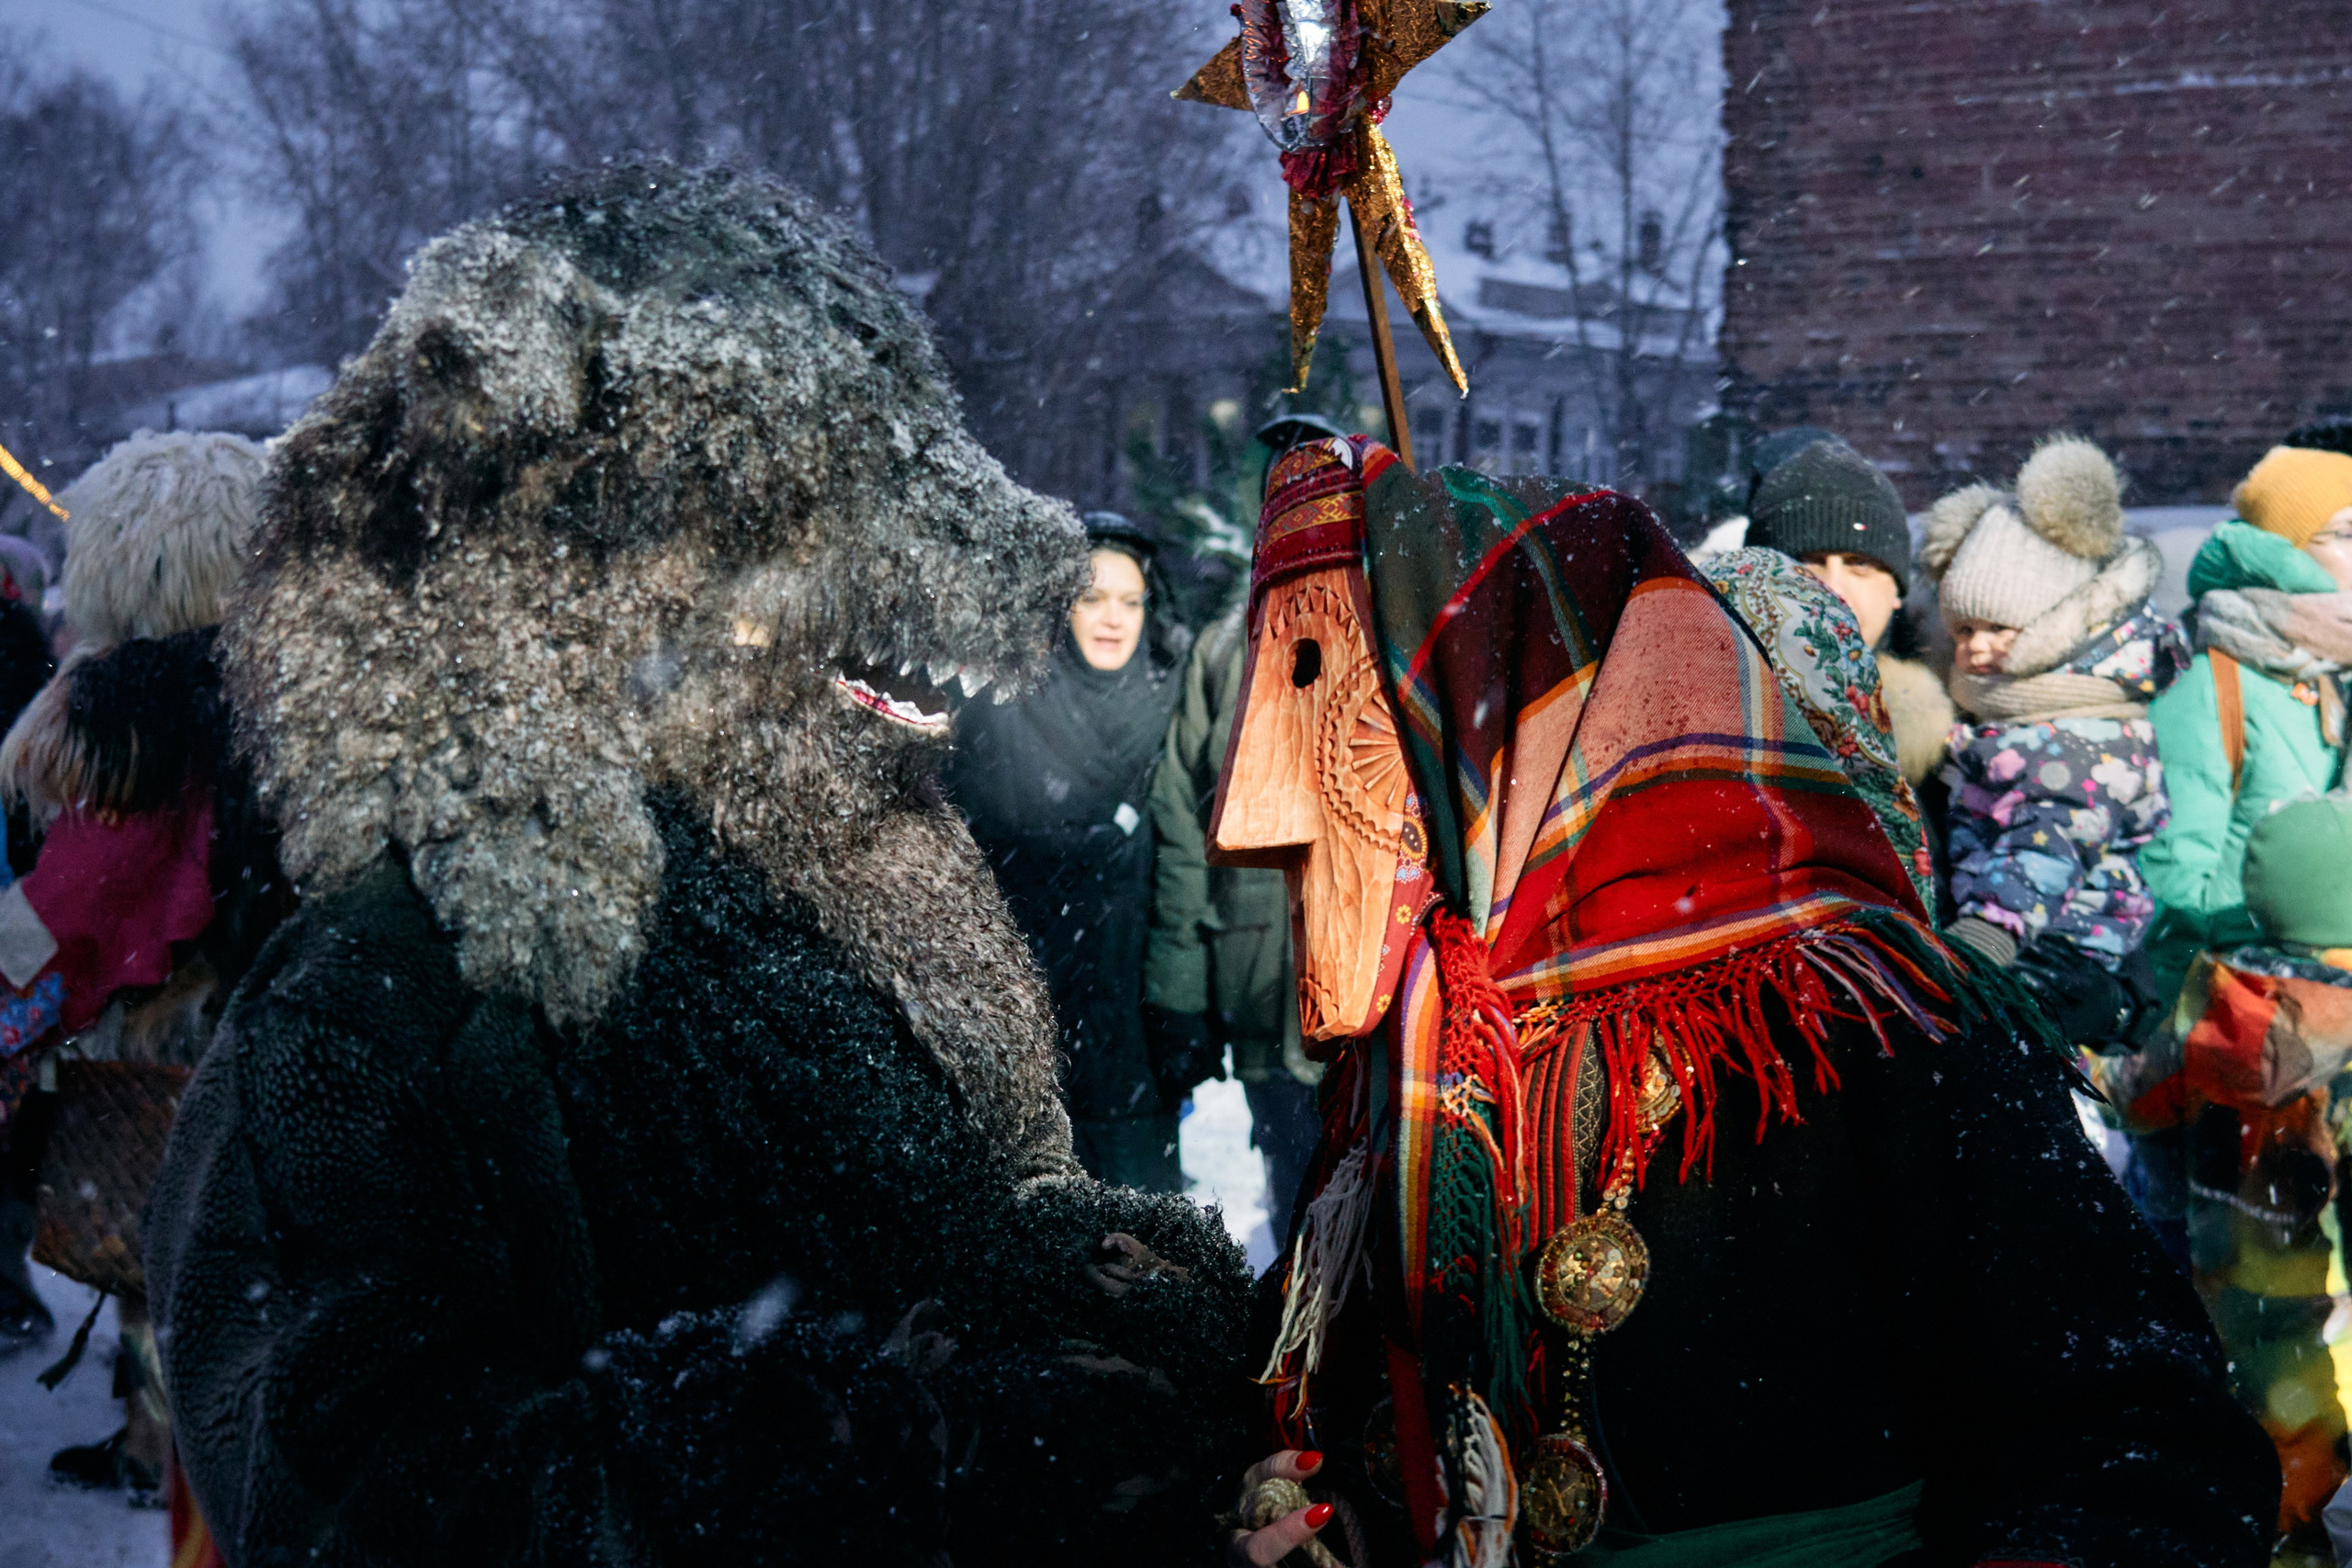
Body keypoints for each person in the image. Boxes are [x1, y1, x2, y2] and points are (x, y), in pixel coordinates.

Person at [147, 166, 1252, 1568]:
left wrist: (1104, 1297)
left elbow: (951, 1245)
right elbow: (360, 1495)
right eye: (793, 535)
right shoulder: (380, 998)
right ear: (579, 579)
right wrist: (895, 1456)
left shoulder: (868, 909)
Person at [1211, 432, 2273, 1568]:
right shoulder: (1423, 1057)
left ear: (1516, 716)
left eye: (1330, 714)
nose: (1252, 811)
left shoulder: (1877, 1023)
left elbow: (2145, 1456)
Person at [2098, 794, 2352, 1552]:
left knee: (2234, 1426)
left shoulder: (2213, 1000)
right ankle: (2297, 1544)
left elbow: (2134, 1100)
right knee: (2308, 1448)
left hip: (2208, 1276)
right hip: (2318, 1295)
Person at [944, 514, 1194, 1191]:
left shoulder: (1176, 693)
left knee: (1141, 1240)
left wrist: (1186, 1009)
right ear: (1062, 604)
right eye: (1090, 597)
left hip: (1135, 1022)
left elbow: (1192, 860)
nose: (1112, 618)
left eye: (1129, 600)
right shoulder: (1005, 701)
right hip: (1023, 1012)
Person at [1145, 415, 1337, 1248]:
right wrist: (1181, 994)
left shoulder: (1395, 643)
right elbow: (1183, 831)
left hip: (1373, 998)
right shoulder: (1227, 649)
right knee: (1294, 1205)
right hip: (1260, 983)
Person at [1921, 435, 2183, 1043]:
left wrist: (1986, 937)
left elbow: (2049, 841)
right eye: (1964, 627)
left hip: (2058, 944)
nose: (1976, 646)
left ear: (2053, 628)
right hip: (2026, 941)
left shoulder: (2079, 737)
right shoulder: (2018, 715)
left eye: (2000, 628)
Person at [1744, 433, 1954, 797]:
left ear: (1897, 594)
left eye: (1860, 564)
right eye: (1807, 563)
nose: (1833, 589)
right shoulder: (1698, 729)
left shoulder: (1958, 756)